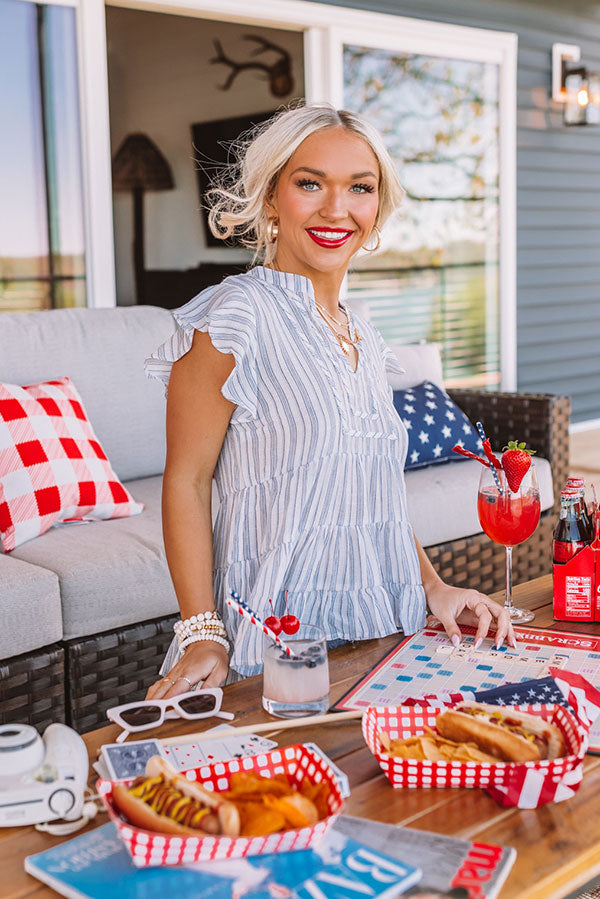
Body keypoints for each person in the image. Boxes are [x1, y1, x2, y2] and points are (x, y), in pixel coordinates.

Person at [144, 103, 516, 699]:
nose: (336, 209)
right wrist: (203, 632)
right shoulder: (233, 317)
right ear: (270, 198)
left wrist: (435, 588)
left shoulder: (362, 333)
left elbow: (373, 492)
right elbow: (187, 480)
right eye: (309, 183)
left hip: (380, 625)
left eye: (359, 188)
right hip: (275, 642)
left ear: (377, 207)